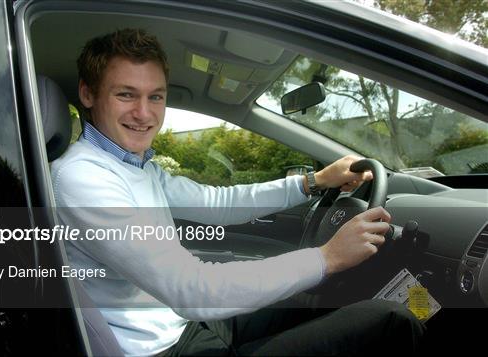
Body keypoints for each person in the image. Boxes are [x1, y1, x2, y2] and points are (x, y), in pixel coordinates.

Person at [51, 28, 424, 356]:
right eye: (126, 95)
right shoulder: (83, 179)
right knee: (392, 319)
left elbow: (219, 203)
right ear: (87, 93)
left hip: (186, 327)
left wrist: (313, 182)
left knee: (331, 300)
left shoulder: (136, 166)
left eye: (156, 97)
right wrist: (327, 257)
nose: (145, 114)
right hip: (166, 349)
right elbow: (191, 289)